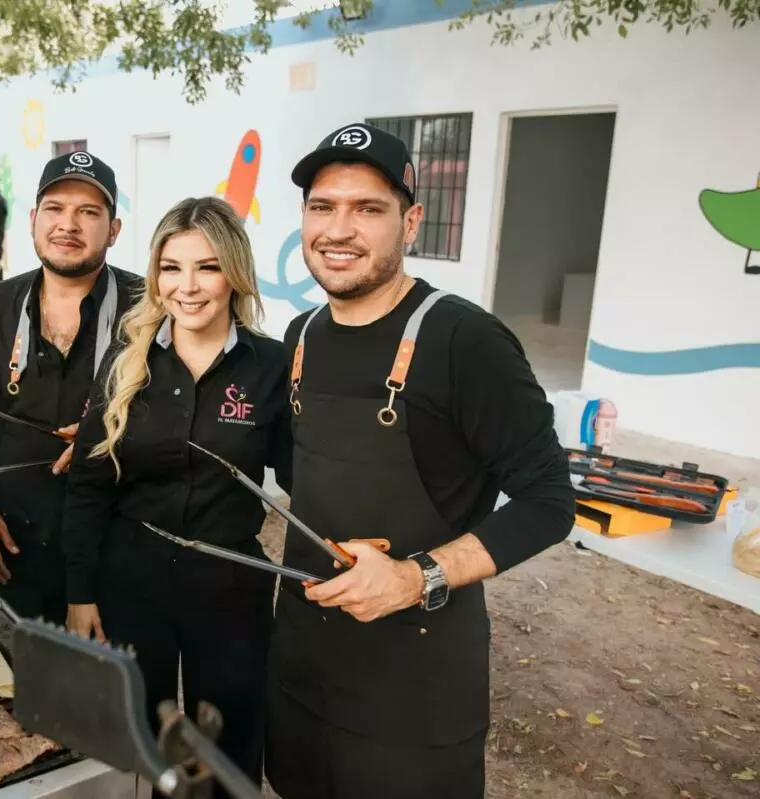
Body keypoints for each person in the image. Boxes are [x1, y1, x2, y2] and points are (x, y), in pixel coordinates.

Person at [263, 122, 576, 799]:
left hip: (415, 686)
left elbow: (550, 500)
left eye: (367, 208)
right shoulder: (302, 335)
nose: (338, 228)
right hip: (303, 668)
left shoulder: (466, 340)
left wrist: (414, 576)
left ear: (411, 221)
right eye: (323, 206)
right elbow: (301, 473)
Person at [62, 196, 290, 795]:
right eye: (171, 267)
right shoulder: (126, 357)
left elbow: (304, 474)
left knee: (232, 742)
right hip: (131, 579)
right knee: (139, 743)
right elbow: (88, 484)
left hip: (230, 586)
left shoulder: (271, 366)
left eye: (207, 267)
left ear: (234, 273)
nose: (187, 287)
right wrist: (81, 591)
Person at [0, 150, 143, 624]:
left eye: (89, 212)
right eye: (55, 210)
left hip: (113, 556)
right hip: (8, 548)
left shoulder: (150, 311)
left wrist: (117, 431)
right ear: (35, 220)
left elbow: (183, 420)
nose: (68, 225)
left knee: (101, 693)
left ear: (113, 229)